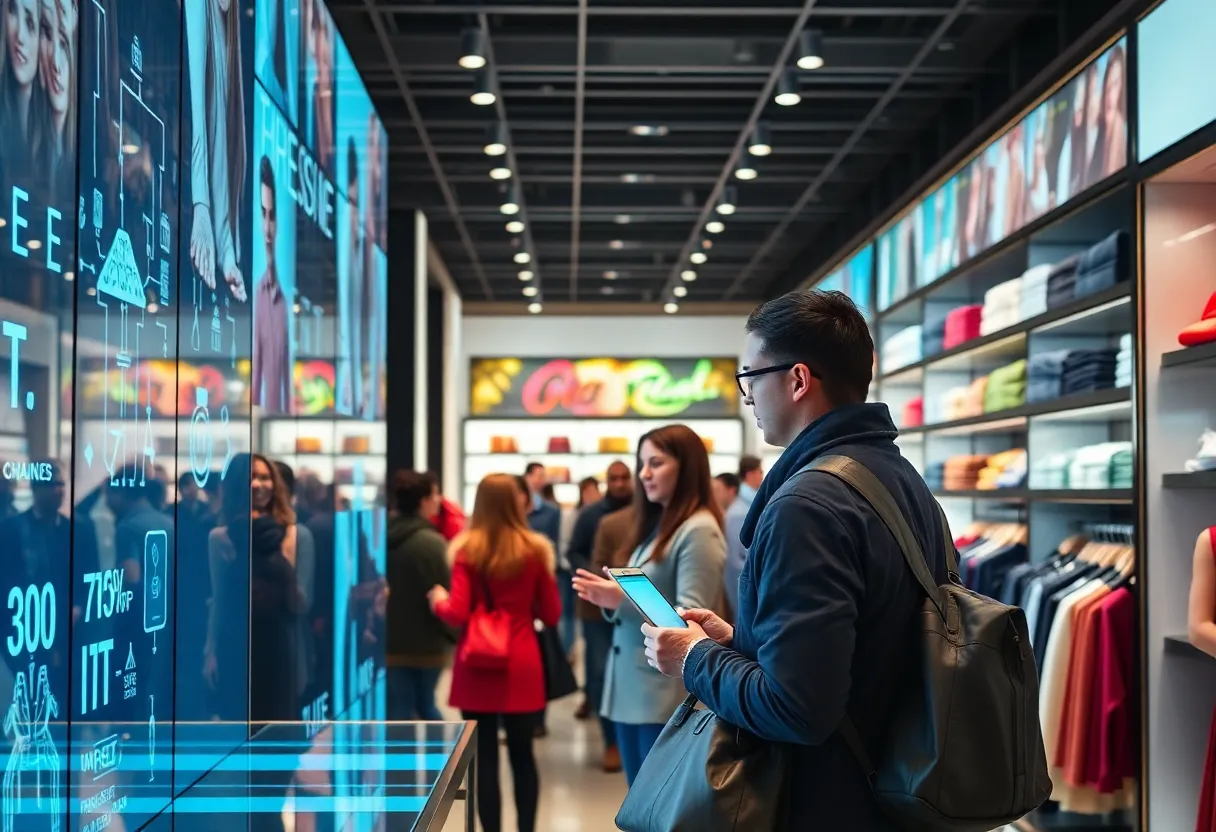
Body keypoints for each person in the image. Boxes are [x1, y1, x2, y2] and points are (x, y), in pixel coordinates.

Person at [640, 290, 954, 829]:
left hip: (827, 799)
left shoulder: (806, 505)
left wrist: (694, 658)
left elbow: (798, 708)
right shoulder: (902, 481)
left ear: (798, 380)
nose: (748, 397)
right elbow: (862, 647)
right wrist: (740, 641)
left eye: (750, 378)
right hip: (900, 789)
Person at [573, 425, 726, 786]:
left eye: (655, 463)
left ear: (685, 467)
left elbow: (692, 622)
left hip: (663, 697)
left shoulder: (698, 529)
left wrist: (620, 599)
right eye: (642, 463)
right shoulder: (664, 525)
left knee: (656, 809)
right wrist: (616, 596)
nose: (644, 474)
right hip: (637, 691)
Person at [428, 474, 561, 832]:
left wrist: (438, 602)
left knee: (483, 757)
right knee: (523, 756)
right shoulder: (536, 550)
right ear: (517, 502)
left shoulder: (466, 551)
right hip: (522, 663)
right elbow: (550, 614)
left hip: (478, 664)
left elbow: (457, 612)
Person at [567, 462, 632, 771]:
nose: (620, 483)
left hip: (633, 606)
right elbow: (574, 552)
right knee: (599, 671)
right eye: (614, 479)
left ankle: (627, 736)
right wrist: (597, 579)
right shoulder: (591, 515)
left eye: (624, 478)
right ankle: (611, 741)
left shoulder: (646, 512)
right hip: (595, 609)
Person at [385, 471, 452, 720]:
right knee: (426, 706)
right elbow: (445, 592)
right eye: (435, 494)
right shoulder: (431, 544)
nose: (439, 499)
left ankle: (398, 760)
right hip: (427, 645)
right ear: (423, 501)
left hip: (388, 642)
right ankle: (447, 758)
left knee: (398, 712)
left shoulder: (380, 537)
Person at [252, 156, 290, 413]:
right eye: (263, 215)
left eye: (272, 216)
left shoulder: (286, 299)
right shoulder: (257, 295)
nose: (267, 228)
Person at [723, 456, 763, 617]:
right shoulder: (740, 511)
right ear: (750, 474)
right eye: (760, 472)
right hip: (747, 590)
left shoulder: (750, 503)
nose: (762, 476)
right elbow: (735, 561)